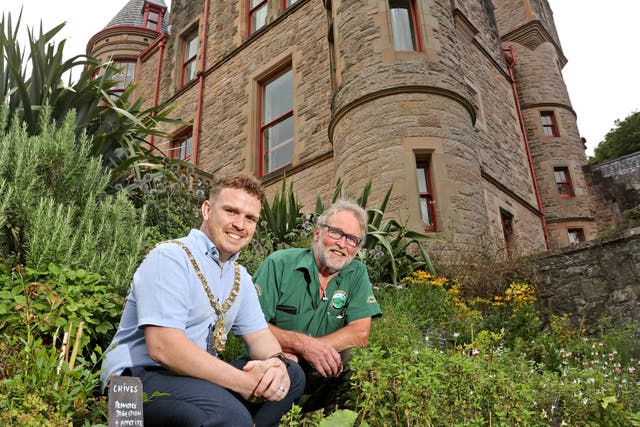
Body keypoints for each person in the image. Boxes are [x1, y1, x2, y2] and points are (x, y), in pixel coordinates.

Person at [101, 174, 305, 427]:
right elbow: (163, 348)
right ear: (207, 210)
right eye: (231, 211)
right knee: (230, 415)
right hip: (133, 381)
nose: (240, 224)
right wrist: (243, 383)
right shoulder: (171, 257)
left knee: (292, 375)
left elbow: (261, 339)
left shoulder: (240, 277)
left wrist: (276, 365)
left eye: (250, 218)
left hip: (189, 380)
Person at [252, 199, 382, 412]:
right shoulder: (279, 264)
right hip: (276, 367)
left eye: (352, 239)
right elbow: (251, 326)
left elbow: (360, 333)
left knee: (359, 360)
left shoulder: (356, 273)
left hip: (322, 376)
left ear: (357, 249)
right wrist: (301, 346)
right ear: (316, 234)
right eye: (336, 233)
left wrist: (312, 350)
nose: (342, 244)